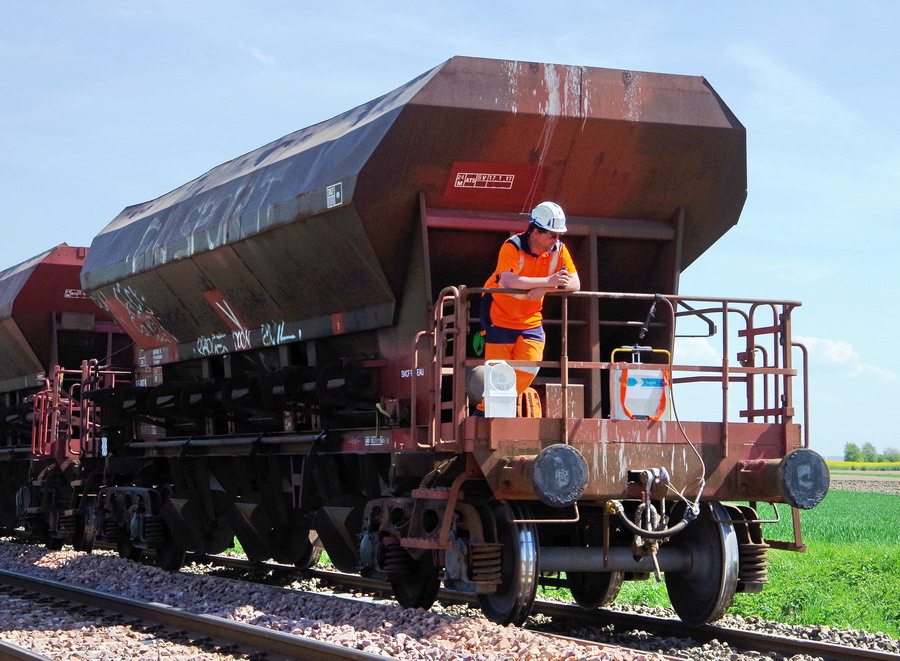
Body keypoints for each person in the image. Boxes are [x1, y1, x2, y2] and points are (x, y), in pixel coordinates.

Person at [478, 201, 580, 410]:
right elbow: (508, 281)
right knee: (498, 372)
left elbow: (575, 283)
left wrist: (545, 288)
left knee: (530, 365)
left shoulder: (559, 250)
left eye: (559, 235)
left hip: (530, 319)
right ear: (535, 231)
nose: (556, 239)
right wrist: (548, 281)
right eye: (552, 235)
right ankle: (489, 412)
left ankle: (496, 407)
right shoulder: (512, 246)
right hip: (499, 316)